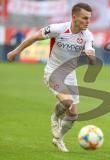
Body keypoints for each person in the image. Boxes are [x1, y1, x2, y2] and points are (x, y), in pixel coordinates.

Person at [7, 3, 96, 152]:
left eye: (89, 19)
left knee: (73, 115)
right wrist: (15, 52)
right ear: (74, 17)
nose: (88, 21)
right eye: (85, 18)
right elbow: (34, 37)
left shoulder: (87, 35)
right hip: (53, 72)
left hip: (70, 76)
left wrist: (91, 57)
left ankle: (58, 139)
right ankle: (55, 118)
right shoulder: (58, 29)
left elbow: (91, 57)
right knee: (67, 101)